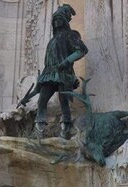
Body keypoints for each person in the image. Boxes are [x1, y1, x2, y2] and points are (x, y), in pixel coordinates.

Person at [34, 4, 88, 139]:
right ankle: (39, 128)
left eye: (60, 19)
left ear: (65, 21)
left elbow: (82, 50)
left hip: (63, 72)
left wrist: (67, 61)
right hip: (49, 73)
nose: (57, 21)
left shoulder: (70, 35)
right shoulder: (52, 40)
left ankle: (67, 126)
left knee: (63, 100)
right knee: (42, 100)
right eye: (55, 19)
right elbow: (48, 60)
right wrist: (39, 81)